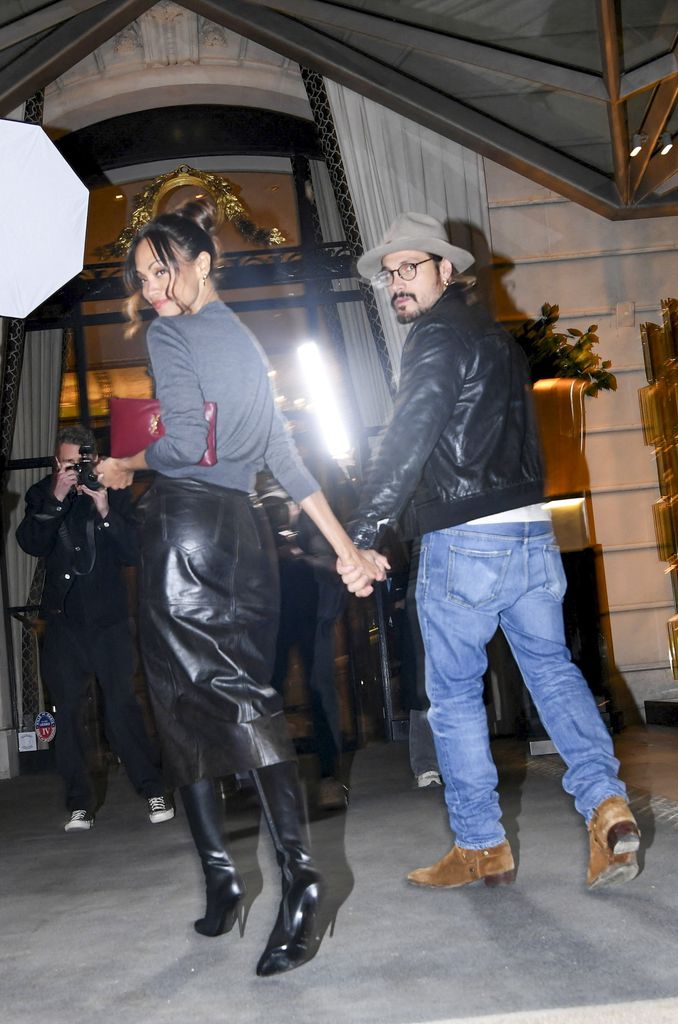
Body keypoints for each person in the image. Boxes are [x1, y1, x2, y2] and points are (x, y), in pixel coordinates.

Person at [96, 199, 386, 977]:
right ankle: (237, 881)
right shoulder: (242, 339)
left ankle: (291, 879)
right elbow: (284, 459)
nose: (152, 287)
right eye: (142, 274)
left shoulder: (172, 334)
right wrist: (346, 548)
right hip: (247, 537)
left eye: (164, 270)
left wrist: (131, 460)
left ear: (201, 264)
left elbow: (187, 443)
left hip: (186, 534)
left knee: (189, 700)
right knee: (230, 694)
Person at [338, 211, 640, 890]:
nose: (397, 284)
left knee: (452, 695)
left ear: (448, 270)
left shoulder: (437, 339)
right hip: (532, 534)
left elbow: (411, 435)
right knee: (554, 672)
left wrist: (364, 530)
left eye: (409, 268)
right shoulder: (499, 343)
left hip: (467, 537)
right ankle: (606, 803)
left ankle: (481, 845)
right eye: (389, 274)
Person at [16, 425, 173, 832]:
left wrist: (104, 511)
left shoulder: (116, 491)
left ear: (95, 459)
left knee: (121, 707)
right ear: (57, 462)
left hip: (109, 622)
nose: (75, 470)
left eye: (81, 463)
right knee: (66, 715)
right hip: (65, 623)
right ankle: (79, 804)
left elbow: (134, 551)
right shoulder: (42, 493)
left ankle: (153, 789)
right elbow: (31, 542)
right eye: (68, 464)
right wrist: (56, 497)